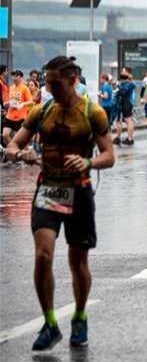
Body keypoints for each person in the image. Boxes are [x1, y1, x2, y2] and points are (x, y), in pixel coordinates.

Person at [5, 55, 115, 351]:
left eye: (55, 84)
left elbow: (109, 156)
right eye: (47, 83)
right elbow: (14, 145)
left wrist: (88, 160)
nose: (49, 88)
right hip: (48, 189)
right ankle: (50, 323)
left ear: (73, 81)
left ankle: (79, 316)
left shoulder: (93, 113)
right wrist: (20, 154)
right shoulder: (42, 111)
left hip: (79, 191)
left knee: (77, 261)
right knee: (43, 256)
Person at [2, 70, 34, 147]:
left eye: (17, 76)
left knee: (19, 140)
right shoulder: (11, 87)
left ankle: (26, 154)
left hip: (20, 118)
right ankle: (13, 149)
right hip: (9, 116)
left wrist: (22, 104)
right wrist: (6, 104)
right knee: (5, 135)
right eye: (13, 76)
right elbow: (8, 101)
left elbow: (31, 102)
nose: (14, 78)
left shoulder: (25, 88)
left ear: (21, 77)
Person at [113, 68, 136, 146]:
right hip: (120, 103)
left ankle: (130, 139)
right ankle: (118, 138)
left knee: (128, 120)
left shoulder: (130, 84)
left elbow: (123, 91)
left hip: (127, 103)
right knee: (119, 120)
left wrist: (118, 89)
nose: (122, 72)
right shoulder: (121, 83)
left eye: (124, 71)